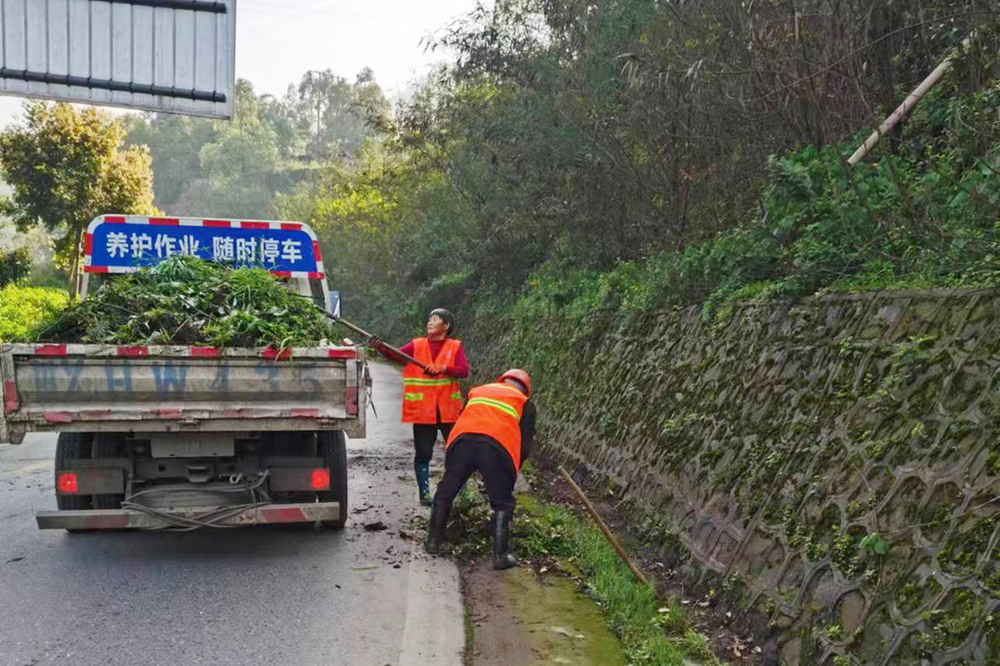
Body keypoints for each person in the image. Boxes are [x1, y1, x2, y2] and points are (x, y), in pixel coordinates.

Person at [424, 369, 536, 570]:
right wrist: (511, 471)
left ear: (502, 380)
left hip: (460, 442)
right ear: (525, 389)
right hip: (496, 447)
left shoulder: (478, 391)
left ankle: (432, 543)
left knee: (445, 492)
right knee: (502, 503)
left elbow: (466, 418)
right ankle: (501, 556)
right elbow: (524, 445)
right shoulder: (524, 403)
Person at [370, 309, 469, 505]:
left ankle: (462, 493)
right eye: (429, 319)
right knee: (423, 453)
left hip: (449, 412)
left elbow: (463, 371)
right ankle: (425, 494)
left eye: (435, 319)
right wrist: (380, 347)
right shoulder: (417, 345)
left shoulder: (455, 347)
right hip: (424, 412)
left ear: (446, 326)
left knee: (458, 452)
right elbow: (396, 355)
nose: (429, 322)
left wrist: (443, 369)